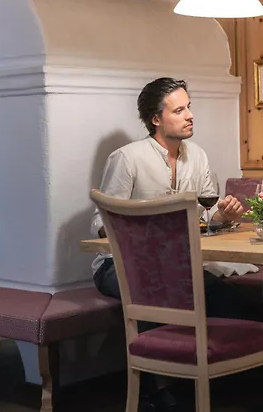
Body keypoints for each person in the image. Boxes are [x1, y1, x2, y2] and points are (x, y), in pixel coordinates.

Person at [91, 77, 252, 412]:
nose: (190, 115)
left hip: (177, 264)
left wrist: (222, 215)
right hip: (118, 265)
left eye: (189, 107)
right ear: (156, 118)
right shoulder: (127, 158)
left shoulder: (198, 156)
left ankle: (214, 382)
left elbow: (204, 217)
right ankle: (154, 389)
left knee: (229, 299)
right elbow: (101, 224)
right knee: (156, 291)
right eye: (179, 110)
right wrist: (150, 225)